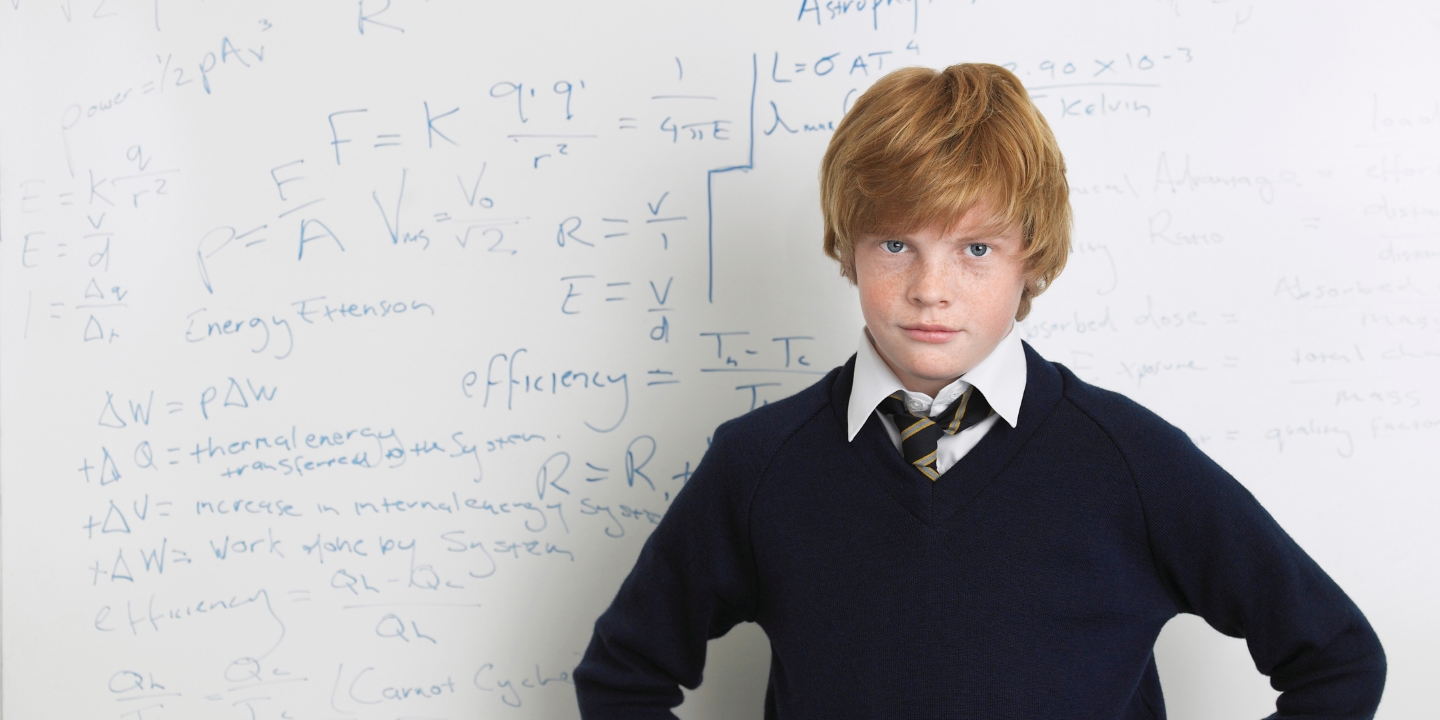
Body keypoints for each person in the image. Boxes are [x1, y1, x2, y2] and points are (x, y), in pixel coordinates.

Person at [573, 63, 1386, 719]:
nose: (931, 288)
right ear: (848, 249)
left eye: (976, 249)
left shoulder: (1130, 461)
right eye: (896, 242)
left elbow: (1336, 660)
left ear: (1031, 257)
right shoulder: (758, 466)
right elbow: (623, 679)